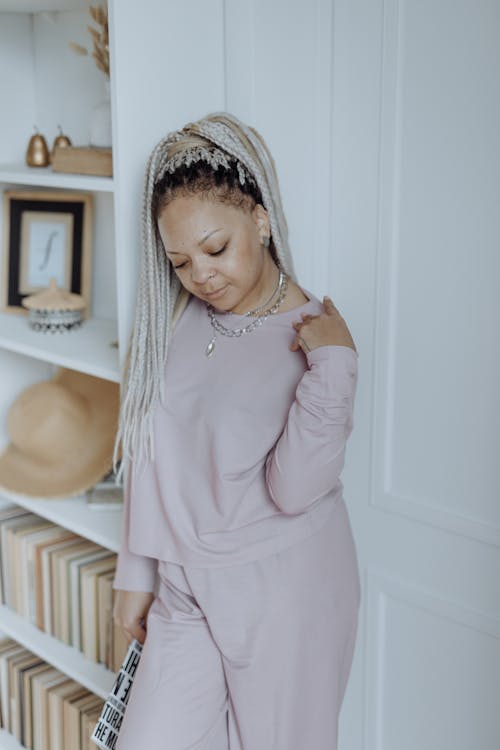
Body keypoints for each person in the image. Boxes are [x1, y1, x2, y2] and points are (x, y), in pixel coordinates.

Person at [112, 111, 361, 750]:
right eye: (180, 261)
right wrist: (136, 575)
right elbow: (149, 450)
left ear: (260, 217)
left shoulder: (313, 336)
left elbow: (295, 488)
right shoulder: (178, 321)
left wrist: (334, 366)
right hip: (187, 590)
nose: (201, 277)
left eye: (216, 249)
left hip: (285, 594)